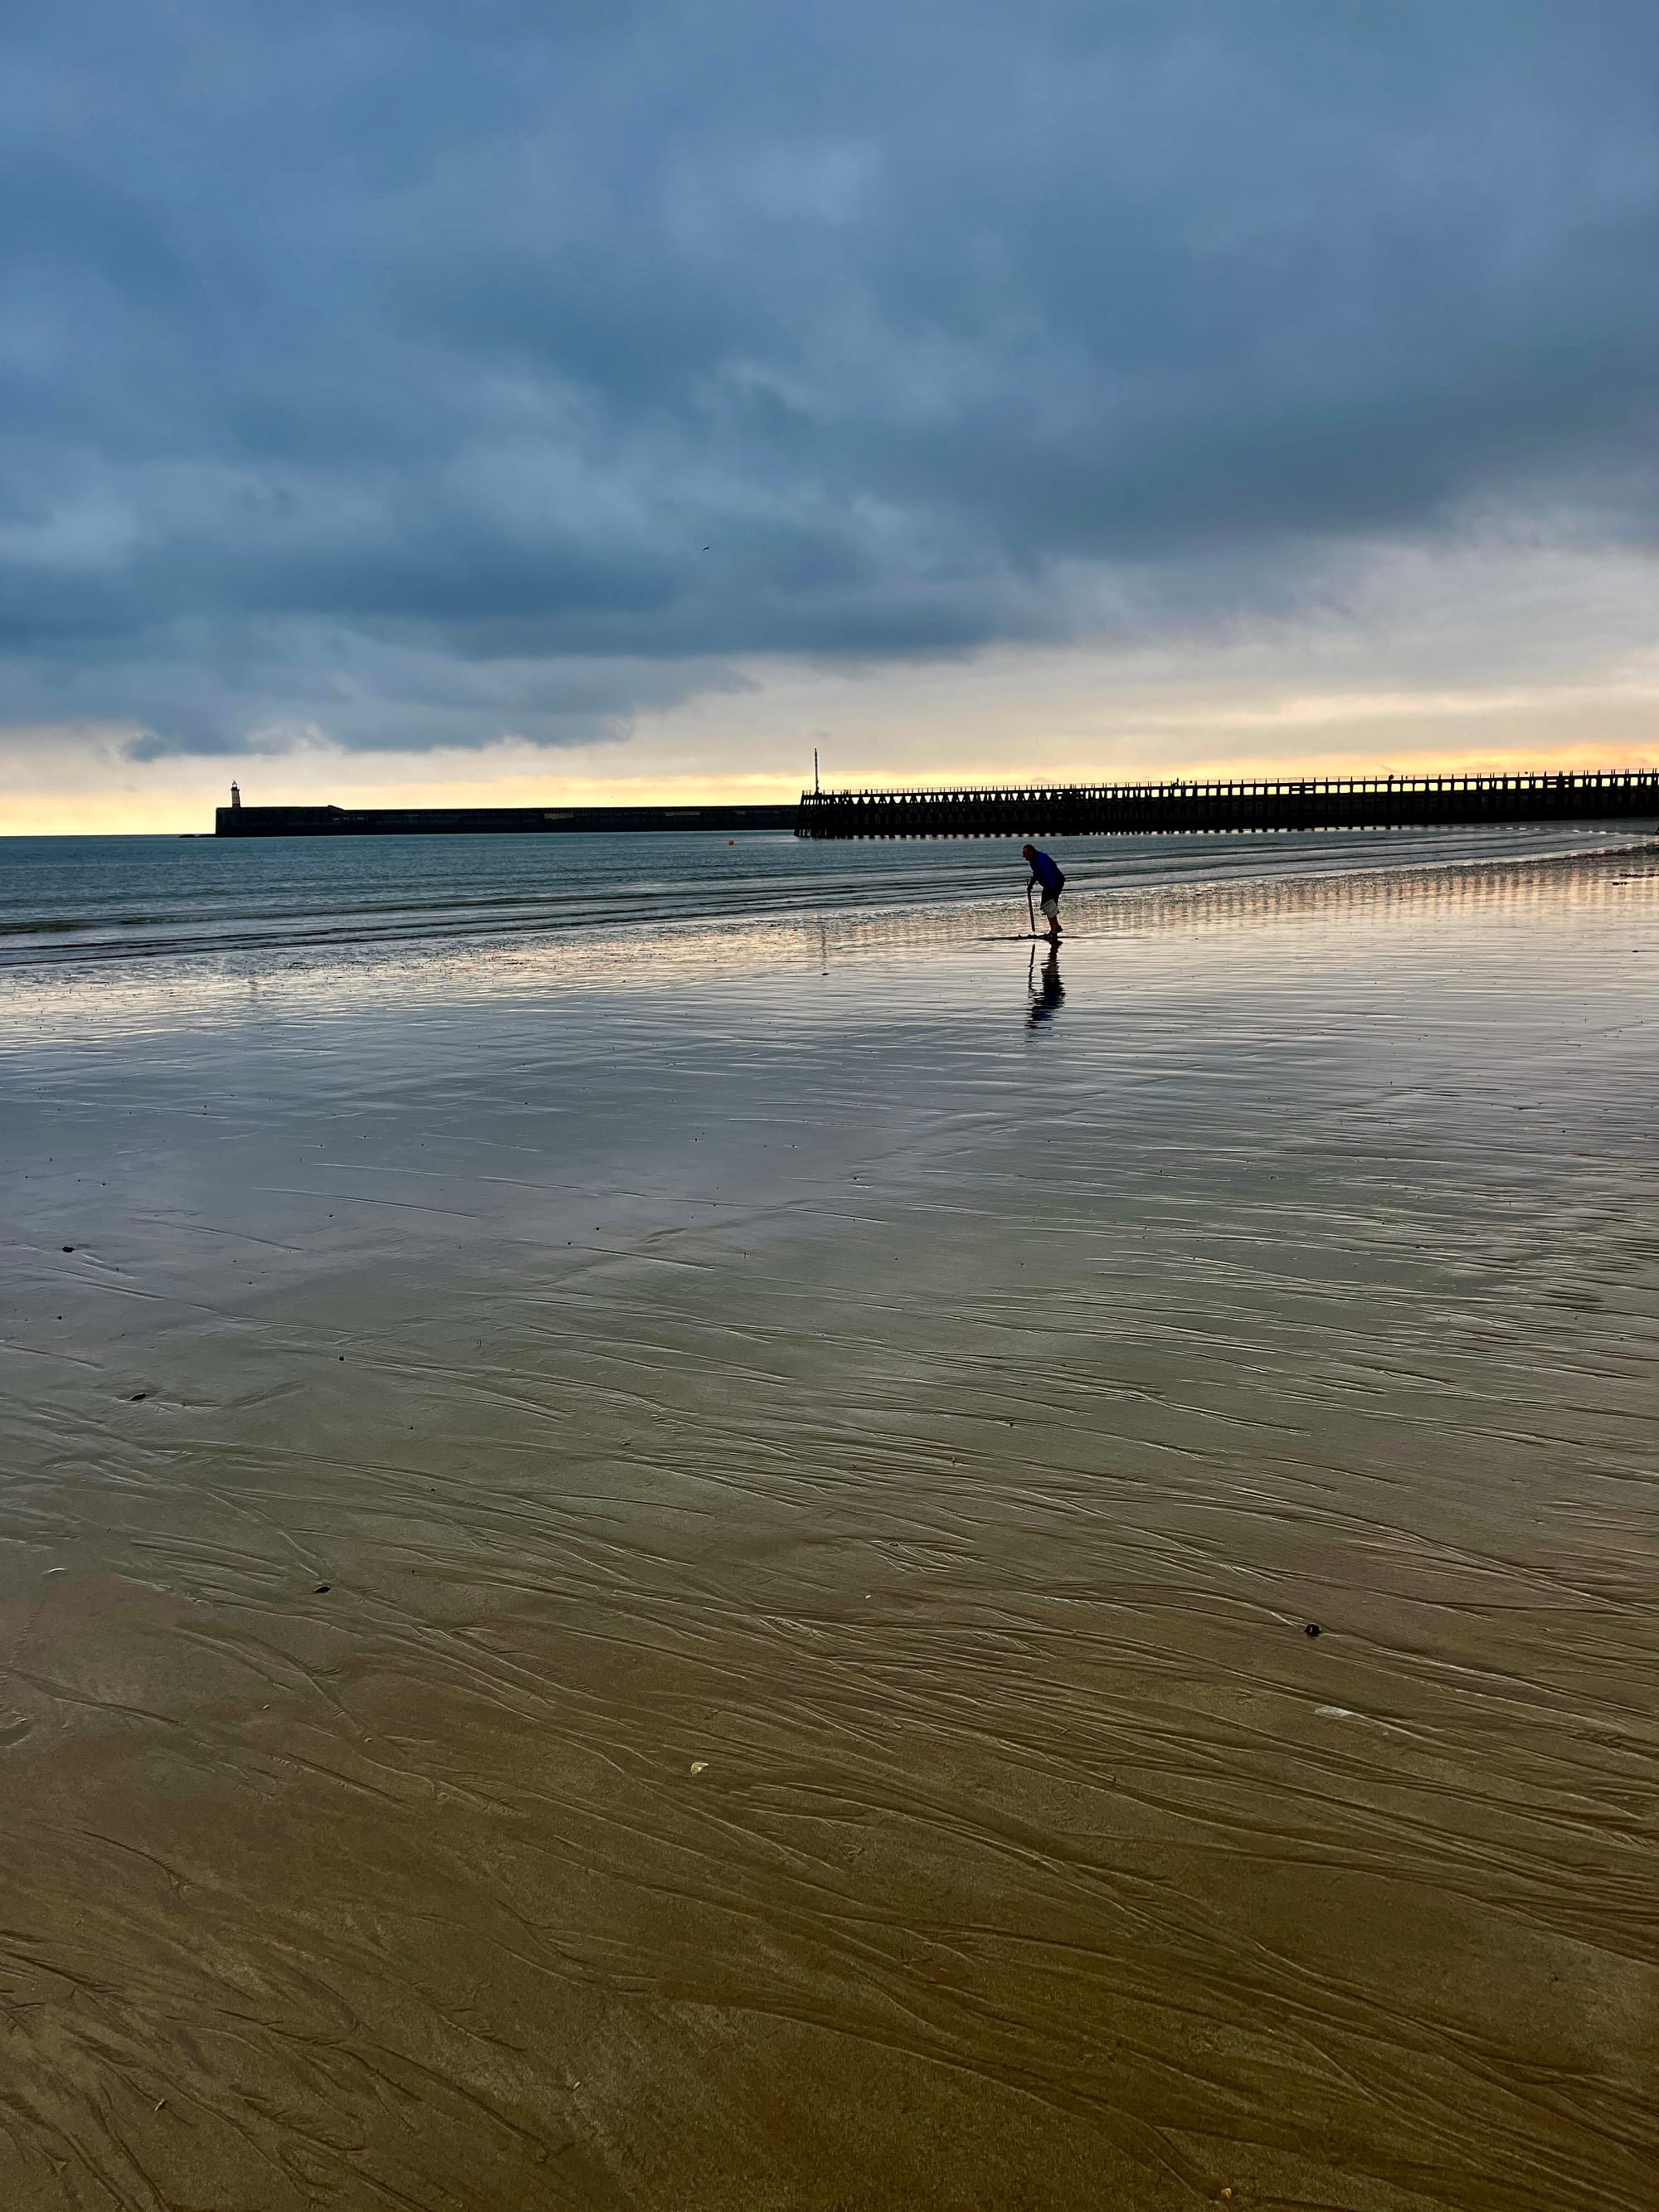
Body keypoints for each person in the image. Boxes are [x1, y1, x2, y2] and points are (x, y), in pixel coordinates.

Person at [1021, 843, 1065, 939]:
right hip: (1049, 883)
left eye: (1025, 854)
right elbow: (1037, 873)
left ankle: (1054, 929)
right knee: (1047, 905)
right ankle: (1055, 927)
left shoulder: (1041, 860)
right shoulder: (1033, 860)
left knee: (1048, 904)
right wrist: (1030, 885)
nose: (1024, 856)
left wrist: (1052, 889)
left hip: (1055, 882)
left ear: (1031, 852)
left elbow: (1050, 874)